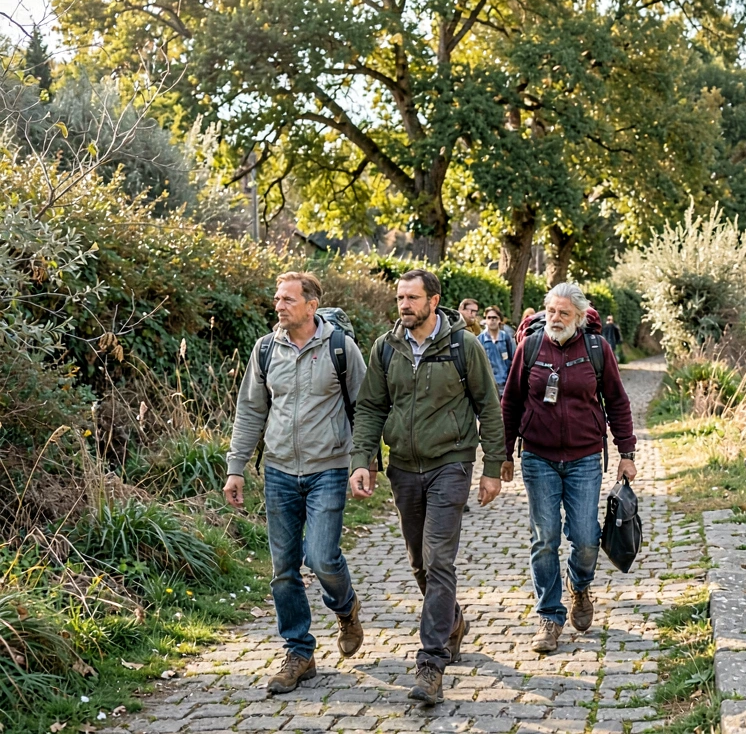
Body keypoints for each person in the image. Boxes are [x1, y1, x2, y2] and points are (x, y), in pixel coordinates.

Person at [348, 269, 506, 705]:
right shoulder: (386, 347)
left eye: (412, 298)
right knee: (419, 561)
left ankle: (430, 663)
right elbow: (371, 408)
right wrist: (363, 460)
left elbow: (488, 408)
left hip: (450, 463)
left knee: (438, 559)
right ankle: (452, 621)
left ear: (434, 301)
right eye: (400, 297)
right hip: (403, 467)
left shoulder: (463, 346)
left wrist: (492, 466)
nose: (404, 305)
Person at [223, 271, 365, 695]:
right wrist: (236, 466)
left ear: (311, 305)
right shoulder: (266, 350)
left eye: (287, 299)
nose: (279, 305)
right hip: (280, 472)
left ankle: (346, 607)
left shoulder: (341, 348)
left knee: (322, 558)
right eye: (277, 298)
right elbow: (250, 411)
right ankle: (299, 652)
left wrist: (364, 462)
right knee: (283, 569)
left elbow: (364, 407)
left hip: (329, 468)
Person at [500, 283, 637, 654]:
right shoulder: (529, 348)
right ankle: (549, 615)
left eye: (563, 313)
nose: (554, 319)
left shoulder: (597, 349)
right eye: (550, 311)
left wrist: (627, 452)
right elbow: (510, 402)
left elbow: (618, 402)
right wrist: (503, 454)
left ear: (578, 317)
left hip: (585, 457)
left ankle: (580, 585)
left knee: (586, 537)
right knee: (544, 538)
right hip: (538, 457)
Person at [479, 305, 517, 396]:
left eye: (495, 318)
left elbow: (513, 361)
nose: (492, 320)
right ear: (485, 320)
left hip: (504, 385)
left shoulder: (506, 338)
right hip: (487, 387)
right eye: (489, 317)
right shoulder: (480, 339)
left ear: (500, 320)